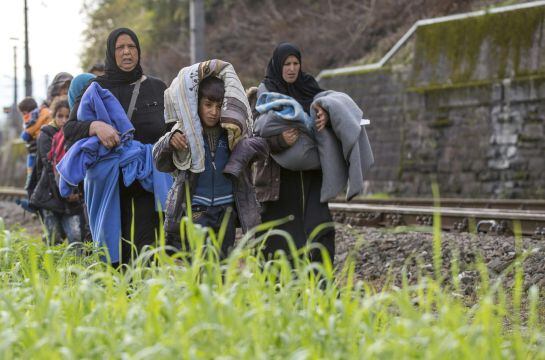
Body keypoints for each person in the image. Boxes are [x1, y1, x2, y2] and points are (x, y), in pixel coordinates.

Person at [63, 28, 169, 264]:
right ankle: (116, 299)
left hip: (147, 185)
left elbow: (173, 126)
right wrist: (95, 127)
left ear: (138, 51)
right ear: (111, 53)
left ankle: (144, 299)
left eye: (131, 47)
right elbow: (69, 130)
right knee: (113, 257)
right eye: (120, 48)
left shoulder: (157, 88)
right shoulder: (95, 88)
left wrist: (177, 136)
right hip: (109, 187)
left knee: (147, 253)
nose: (127, 52)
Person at [153, 60, 264, 258]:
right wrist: (169, 141)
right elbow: (158, 159)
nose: (214, 112)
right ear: (197, 103)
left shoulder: (232, 134)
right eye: (208, 105)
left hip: (226, 209)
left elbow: (255, 151)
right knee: (199, 263)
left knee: (222, 264)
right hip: (197, 209)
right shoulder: (184, 132)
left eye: (219, 106)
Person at [253, 43, 335, 264]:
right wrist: (280, 141)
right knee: (281, 238)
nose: (291, 69)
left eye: (295, 63)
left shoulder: (309, 86)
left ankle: (322, 287)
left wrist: (325, 117)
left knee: (320, 229)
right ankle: (280, 293)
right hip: (279, 180)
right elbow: (254, 137)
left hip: (311, 177)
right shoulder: (266, 91)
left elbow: (326, 108)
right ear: (278, 65)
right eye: (287, 64)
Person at [31, 97, 83, 245]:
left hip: (71, 197)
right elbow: (49, 168)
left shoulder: (74, 134)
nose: (64, 120)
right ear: (53, 117)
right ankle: (52, 264)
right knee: (54, 236)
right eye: (60, 116)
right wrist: (66, 193)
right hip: (50, 194)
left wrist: (74, 193)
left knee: (75, 236)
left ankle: (74, 266)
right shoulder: (46, 135)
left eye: (68, 116)